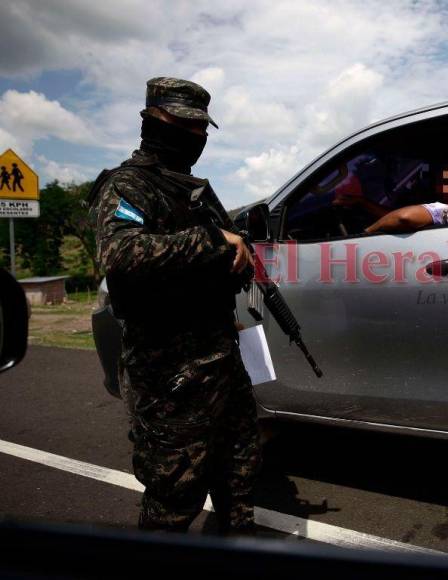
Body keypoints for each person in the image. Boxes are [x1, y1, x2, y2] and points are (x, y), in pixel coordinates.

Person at [89, 77, 262, 534]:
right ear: (151, 120)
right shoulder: (128, 185)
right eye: (182, 123)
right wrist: (209, 241)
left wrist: (237, 255)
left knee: (239, 478)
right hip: (170, 371)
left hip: (221, 358)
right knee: (174, 496)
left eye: (201, 128)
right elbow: (120, 254)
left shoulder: (195, 190)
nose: (194, 136)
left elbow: (227, 254)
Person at [333, 162, 448, 234]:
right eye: (441, 182)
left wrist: (366, 234)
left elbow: (404, 218)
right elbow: (391, 217)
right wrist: (362, 202)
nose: (443, 189)